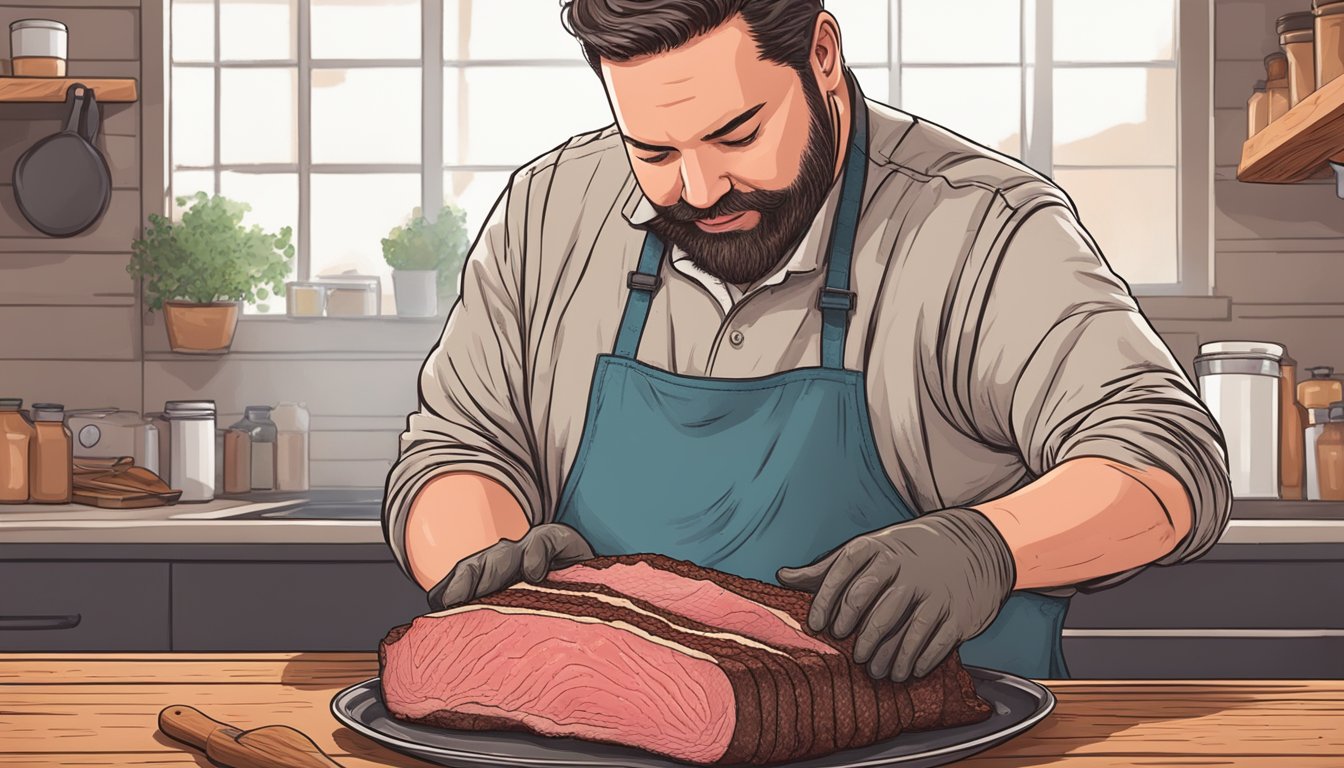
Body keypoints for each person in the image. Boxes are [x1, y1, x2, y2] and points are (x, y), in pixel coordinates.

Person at [381, 0, 1232, 682]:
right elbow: (462, 446)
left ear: (823, 54)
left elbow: (1165, 457)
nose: (700, 186)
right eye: (653, 149)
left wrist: (991, 547)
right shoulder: (550, 212)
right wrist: (490, 559)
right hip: (621, 737)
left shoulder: (981, 229)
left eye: (738, 133)